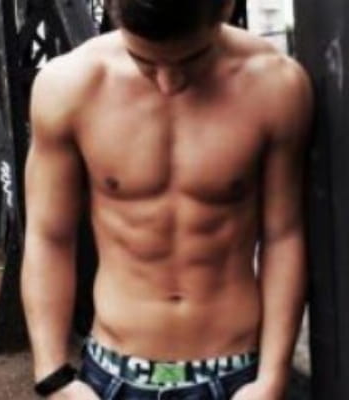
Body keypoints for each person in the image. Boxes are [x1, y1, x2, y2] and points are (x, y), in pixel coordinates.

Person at [21, 0, 313, 399]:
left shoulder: (275, 86)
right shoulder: (68, 87)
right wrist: (52, 375)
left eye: (192, 60)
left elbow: (284, 235)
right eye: (144, 62)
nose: (167, 83)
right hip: (112, 376)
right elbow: (48, 236)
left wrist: (272, 377)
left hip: (235, 376)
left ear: (226, 9)